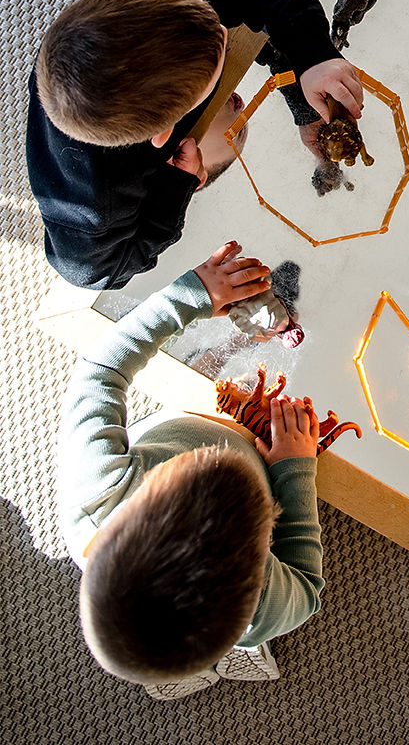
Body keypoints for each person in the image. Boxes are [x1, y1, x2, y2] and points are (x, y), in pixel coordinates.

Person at [58, 240, 325, 700]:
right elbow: (305, 584)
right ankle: (233, 651)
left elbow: (99, 373)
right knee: (236, 636)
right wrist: (292, 469)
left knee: (169, 649)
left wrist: (190, 295)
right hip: (243, 618)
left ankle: (178, 670)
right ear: (260, 551)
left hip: (184, 425)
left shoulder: (94, 490)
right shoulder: (259, 608)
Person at [27, 0, 363, 290]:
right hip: (114, 182)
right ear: (166, 133)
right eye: (219, 58)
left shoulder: (153, 6)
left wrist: (314, 57)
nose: (224, 31)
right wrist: (174, 190)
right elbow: (90, 275)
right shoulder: (94, 206)